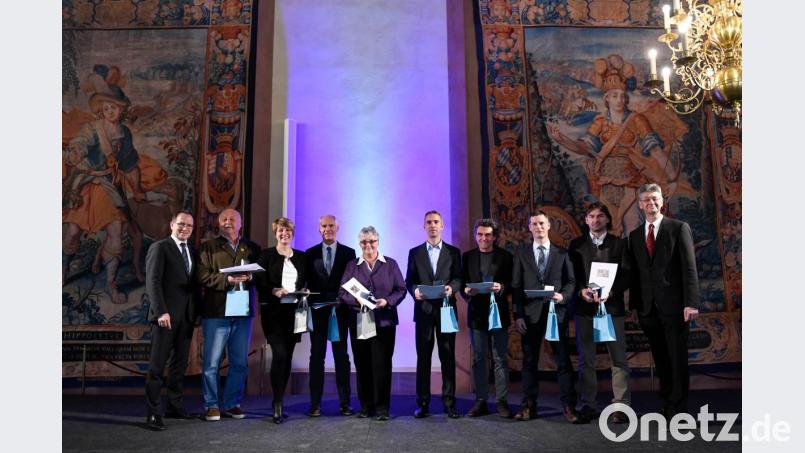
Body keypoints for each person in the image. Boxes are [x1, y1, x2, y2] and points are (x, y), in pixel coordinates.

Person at [63, 66, 166, 302]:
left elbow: (130, 165)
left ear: (121, 110)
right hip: (87, 185)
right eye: (106, 108)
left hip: (110, 188)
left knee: (116, 233)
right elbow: (80, 143)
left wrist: (138, 189)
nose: (110, 111)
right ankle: (63, 269)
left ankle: (110, 283)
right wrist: (76, 151)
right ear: (101, 110)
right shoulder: (91, 129)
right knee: (72, 233)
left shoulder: (125, 134)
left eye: (114, 108)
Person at [546, 55, 679, 236]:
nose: (620, 100)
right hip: (606, 183)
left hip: (631, 182)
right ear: (607, 98)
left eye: (623, 96)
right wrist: (562, 139)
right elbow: (585, 148)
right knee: (610, 233)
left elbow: (656, 151)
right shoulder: (600, 121)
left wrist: (671, 178)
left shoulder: (637, 120)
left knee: (632, 228)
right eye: (615, 96)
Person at [626, 183, 699, 418]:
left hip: (676, 307)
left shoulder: (678, 228)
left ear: (662, 201)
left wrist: (691, 303)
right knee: (661, 359)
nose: (651, 203)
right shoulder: (635, 235)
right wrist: (635, 306)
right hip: (648, 310)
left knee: (677, 358)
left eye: (655, 199)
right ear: (640, 204)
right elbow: (637, 274)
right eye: (646, 199)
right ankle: (667, 400)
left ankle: (679, 407)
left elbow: (689, 268)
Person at [511, 211, 579, 422]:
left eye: (542, 223)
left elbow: (571, 282)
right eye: (534, 224)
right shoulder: (521, 254)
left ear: (549, 226)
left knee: (563, 361)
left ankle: (569, 407)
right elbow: (516, 286)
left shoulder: (562, 253)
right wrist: (518, 315)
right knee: (529, 361)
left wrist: (563, 296)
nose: (538, 227)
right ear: (529, 228)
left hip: (555, 313)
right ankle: (528, 406)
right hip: (529, 316)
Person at [195, 209, 261, 421]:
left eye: (233, 219)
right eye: (224, 219)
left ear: (240, 223)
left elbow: (262, 277)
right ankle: (212, 405)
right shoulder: (208, 247)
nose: (228, 222)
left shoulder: (251, 248)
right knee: (211, 363)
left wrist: (251, 276)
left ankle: (232, 403)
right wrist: (227, 281)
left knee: (239, 362)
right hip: (216, 312)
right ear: (218, 223)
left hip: (242, 314)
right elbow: (202, 276)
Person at [568, 202, 631, 424]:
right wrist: (580, 291)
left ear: (607, 219)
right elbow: (570, 278)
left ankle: (621, 406)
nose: (595, 220)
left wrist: (612, 291)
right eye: (591, 216)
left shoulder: (619, 245)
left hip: (611, 310)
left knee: (619, 359)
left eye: (600, 216)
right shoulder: (575, 246)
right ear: (586, 220)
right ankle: (588, 404)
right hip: (585, 310)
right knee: (587, 360)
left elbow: (627, 275)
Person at [338, 226, 407, 421]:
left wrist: (387, 302)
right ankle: (365, 406)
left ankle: (382, 408)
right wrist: (357, 301)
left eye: (372, 242)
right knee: (362, 364)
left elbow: (401, 289)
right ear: (359, 244)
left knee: (382, 364)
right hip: (360, 321)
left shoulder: (390, 264)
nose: (368, 246)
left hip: (384, 321)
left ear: (378, 242)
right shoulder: (352, 265)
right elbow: (343, 293)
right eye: (364, 242)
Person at [405, 210, 463, 419]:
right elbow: (409, 281)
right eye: (428, 222)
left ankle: (449, 402)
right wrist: (415, 292)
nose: (432, 225)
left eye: (436, 222)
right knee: (423, 359)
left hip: (447, 310)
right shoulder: (415, 252)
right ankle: (422, 403)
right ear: (424, 226)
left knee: (447, 357)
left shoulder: (453, 252)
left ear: (442, 226)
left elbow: (458, 278)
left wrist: (452, 289)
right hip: (424, 312)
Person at [144, 211, 198, 431]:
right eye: (181, 224)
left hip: (186, 318)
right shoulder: (160, 247)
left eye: (189, 226)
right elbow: (153, 282)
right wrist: (161, 312)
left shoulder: (192, 251)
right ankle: (153, 413)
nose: (185, 228)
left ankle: (174, 406)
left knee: (179, 365)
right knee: (157, 367)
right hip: (165, 317)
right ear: (172, 225)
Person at [256, 217, 307, 424]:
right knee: (280, 354)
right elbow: (258, 282)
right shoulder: (266, 255)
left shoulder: (302, 257)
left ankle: (280, 400)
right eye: (280, 231)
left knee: (287, 358)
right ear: (275, 233)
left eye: (287, 231)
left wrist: (305, 290)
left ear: (292, 234)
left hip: (294, 314)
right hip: (274, 314)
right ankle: (276, 402)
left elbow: (305, 280)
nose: (284, 234)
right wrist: (273, 290)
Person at [304, 215, 356, 417]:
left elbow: (353, 282)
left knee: (341, 357)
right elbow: (305, 281)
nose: (328, 229)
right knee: (316, 357)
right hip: (317, 312)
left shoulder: (349, 253)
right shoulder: (310, 254)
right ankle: (315, 404)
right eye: (324, 226)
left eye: (331, 226)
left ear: (338, 227)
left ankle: (345, 403)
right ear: (319, 229)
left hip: (340, 312)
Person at [461, 219, 514, 418]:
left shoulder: (506, 256)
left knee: (500, 359)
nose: (484, 238)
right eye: (480, 235)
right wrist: (466, 292)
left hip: (498, 313)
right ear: (476, 236)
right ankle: (481, 400)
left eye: (488, 235)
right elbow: (462, 284)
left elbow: (512, 283)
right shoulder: (467, 257)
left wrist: (502, 288)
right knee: (478, 358)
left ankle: (501, 401)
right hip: (476, 315)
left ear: (494, 236)